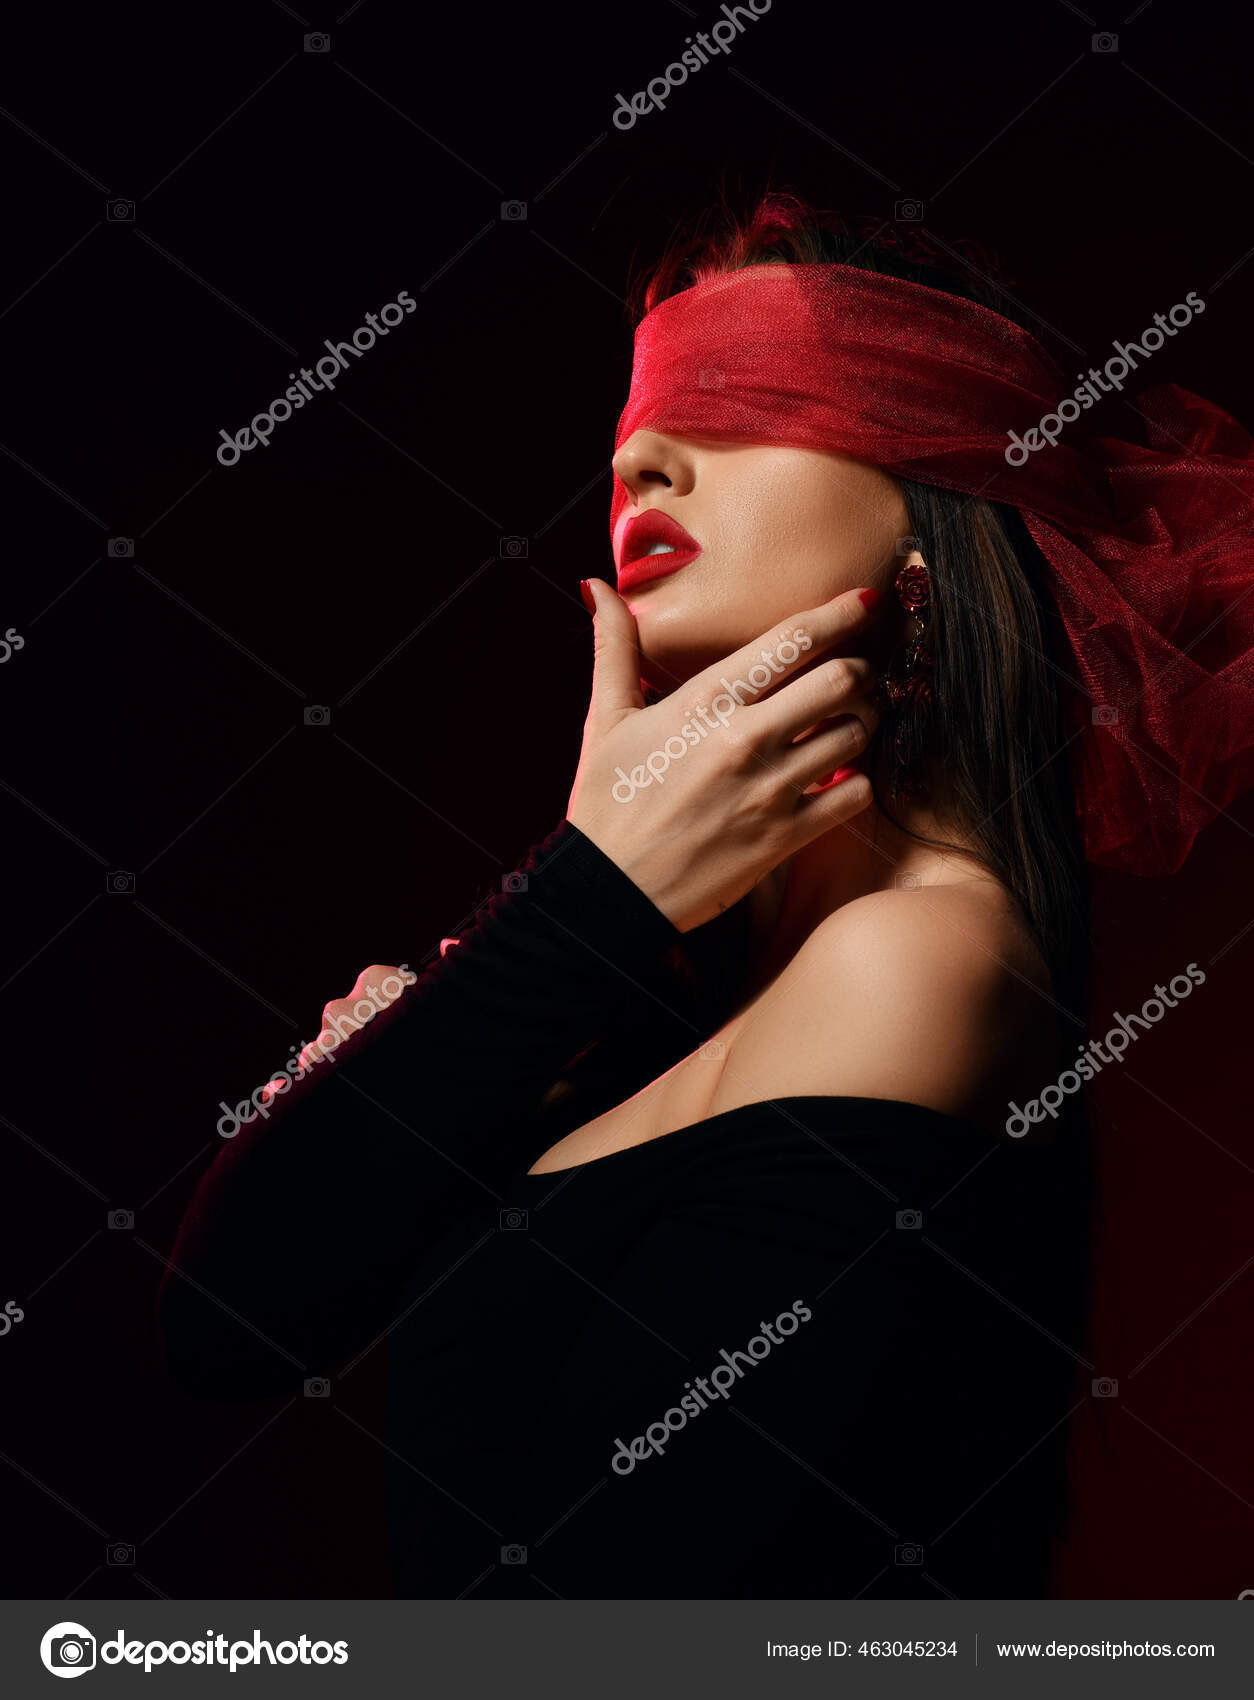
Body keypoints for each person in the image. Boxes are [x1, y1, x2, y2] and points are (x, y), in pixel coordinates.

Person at [158, 194, 1254, 1599]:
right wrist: (573, 915)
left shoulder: (912, 961)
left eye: (743, 402)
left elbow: (608, 1596)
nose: (645, 460)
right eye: (635, 435)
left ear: (935, 489)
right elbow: (228, 1328)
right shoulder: (677, 1010)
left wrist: (561, 927)